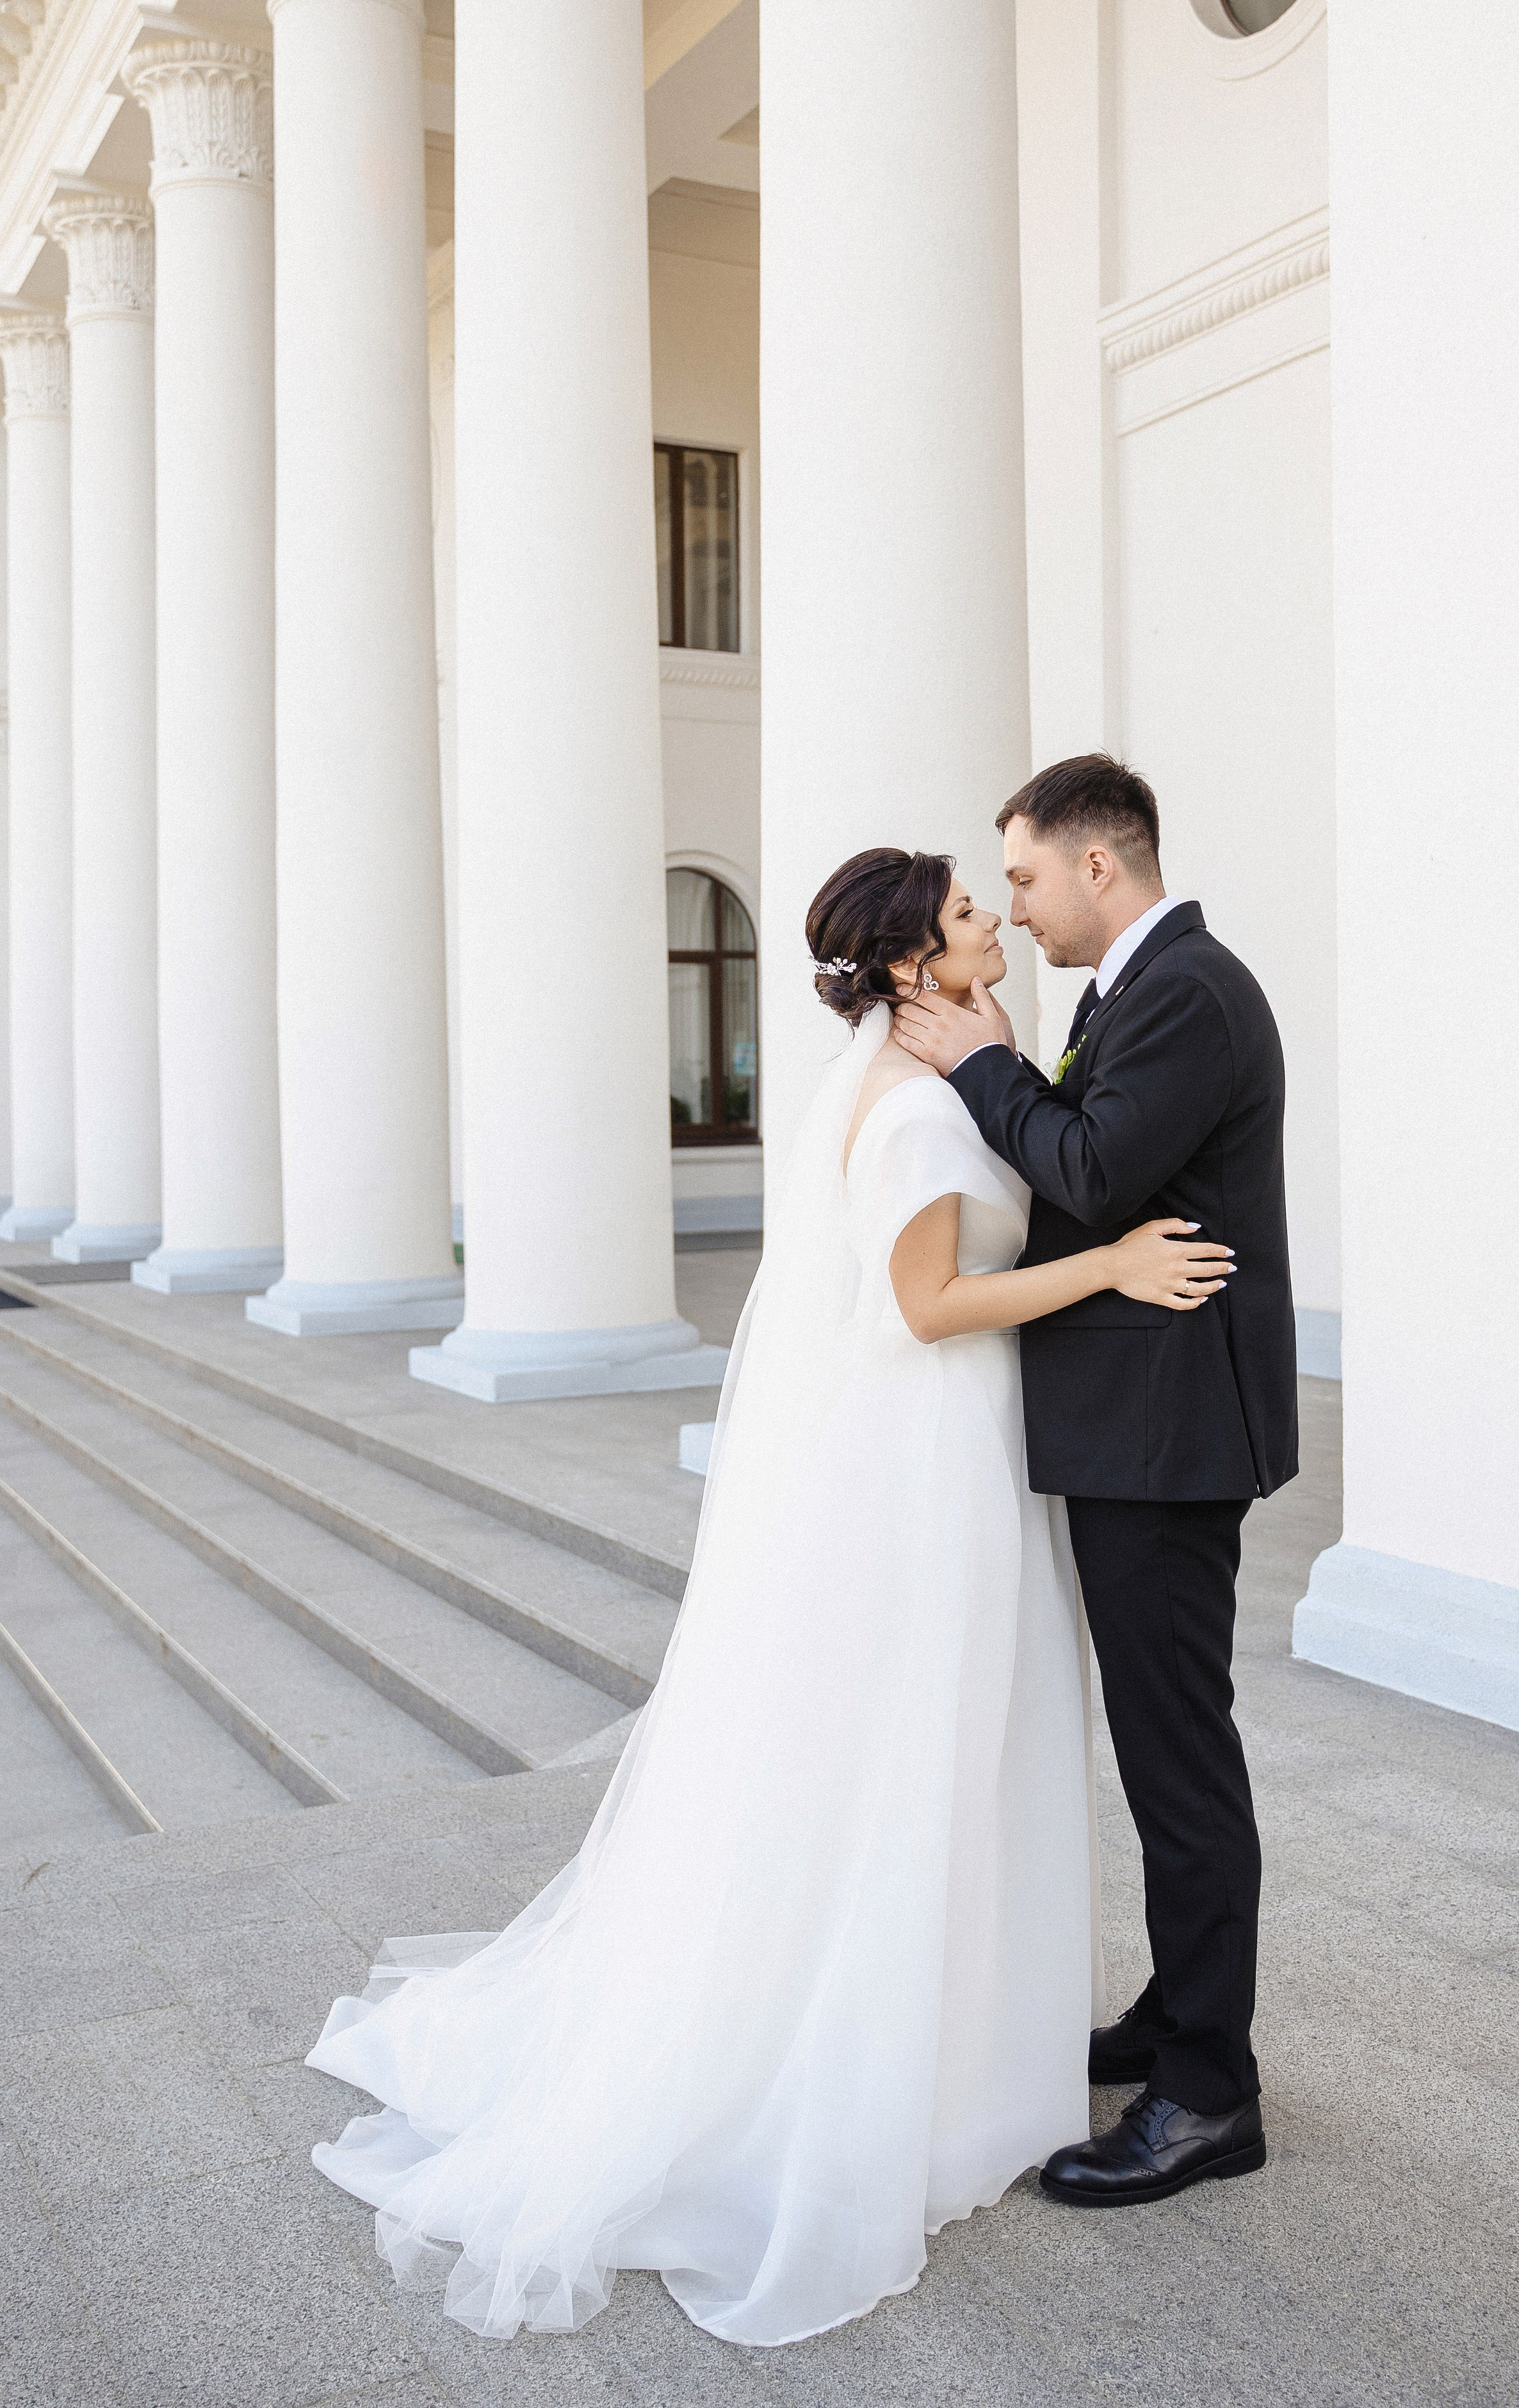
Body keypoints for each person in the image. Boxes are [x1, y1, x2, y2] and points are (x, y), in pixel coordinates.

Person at [304, 844, 1235, 2349]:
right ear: (914, 963)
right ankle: (897, 2073)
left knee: (925, 1753)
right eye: (962, 910)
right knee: (917, 1757)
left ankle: (943, 2050)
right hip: (928, 1459)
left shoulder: (918, 1076)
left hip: (932, 1450)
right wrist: (1113, 1264)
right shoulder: (917, 1106)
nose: (989, 916)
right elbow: (929, 1306)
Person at [893, 753, 1297, 2207]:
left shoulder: (1183, 989)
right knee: (1157, 1744)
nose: (1012, 901)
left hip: (1168, 1435)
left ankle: (1207, 2093)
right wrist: (1010, 1055)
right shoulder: (1135, 992)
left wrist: (976, 1062)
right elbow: (1089, 1164)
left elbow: (1090, 1170)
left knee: (1178, 1758)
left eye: (1018, 875)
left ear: (1095, 866)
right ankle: (1177, 2020)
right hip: (1138, 1426)